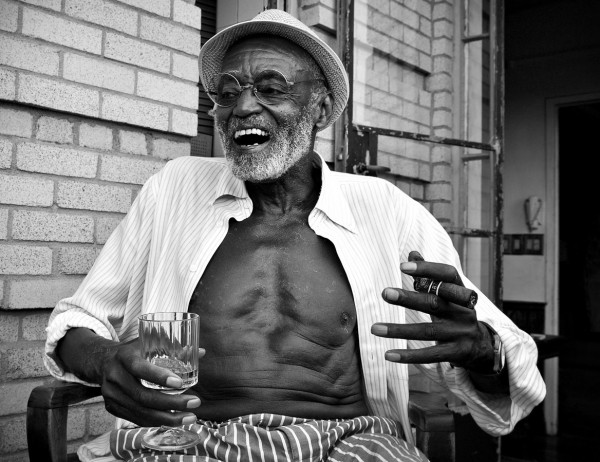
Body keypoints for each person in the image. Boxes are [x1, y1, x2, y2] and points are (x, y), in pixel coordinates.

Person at [44, 9, 545, 462]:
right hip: (188, 439)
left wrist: (482, 349)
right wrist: (107, 359)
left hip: (346, 442)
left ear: (323, 111)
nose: (242, 107)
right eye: (227, 92)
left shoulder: (386, 211)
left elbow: (510, 365)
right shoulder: (172, 190)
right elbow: (76, 322)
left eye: (271, 87)